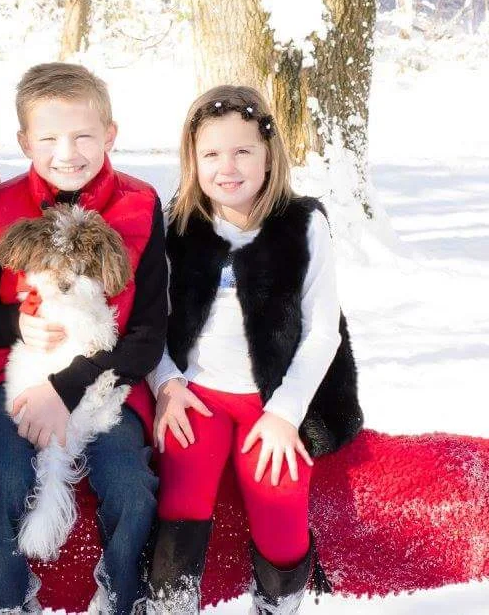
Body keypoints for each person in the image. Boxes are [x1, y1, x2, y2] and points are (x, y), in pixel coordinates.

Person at [145, 85, 363, 614]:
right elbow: (148, 322)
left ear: (269, 154)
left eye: (242, 150)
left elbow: (322, 331)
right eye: (211, 154)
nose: (227, 167)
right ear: (192, 160)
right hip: (197, 394)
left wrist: (286, 414)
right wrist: (167, 383)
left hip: (274, 399)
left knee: (278, 499)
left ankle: (277, 604)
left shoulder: (303, 224)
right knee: (183, 491)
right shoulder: (177, 227)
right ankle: (171, 604)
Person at [0, 62, 167, 614]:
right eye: (49, 138)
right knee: (4, 477)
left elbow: (147, 334)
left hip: (107, 380)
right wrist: (15, 324)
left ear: (110, 135)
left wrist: (68, 387)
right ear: (25, 141)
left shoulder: (141, 205)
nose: (67, 153)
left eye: (83, 136)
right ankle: (2, 600)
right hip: (11, 377)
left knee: (129, 484)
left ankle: (122, 598)